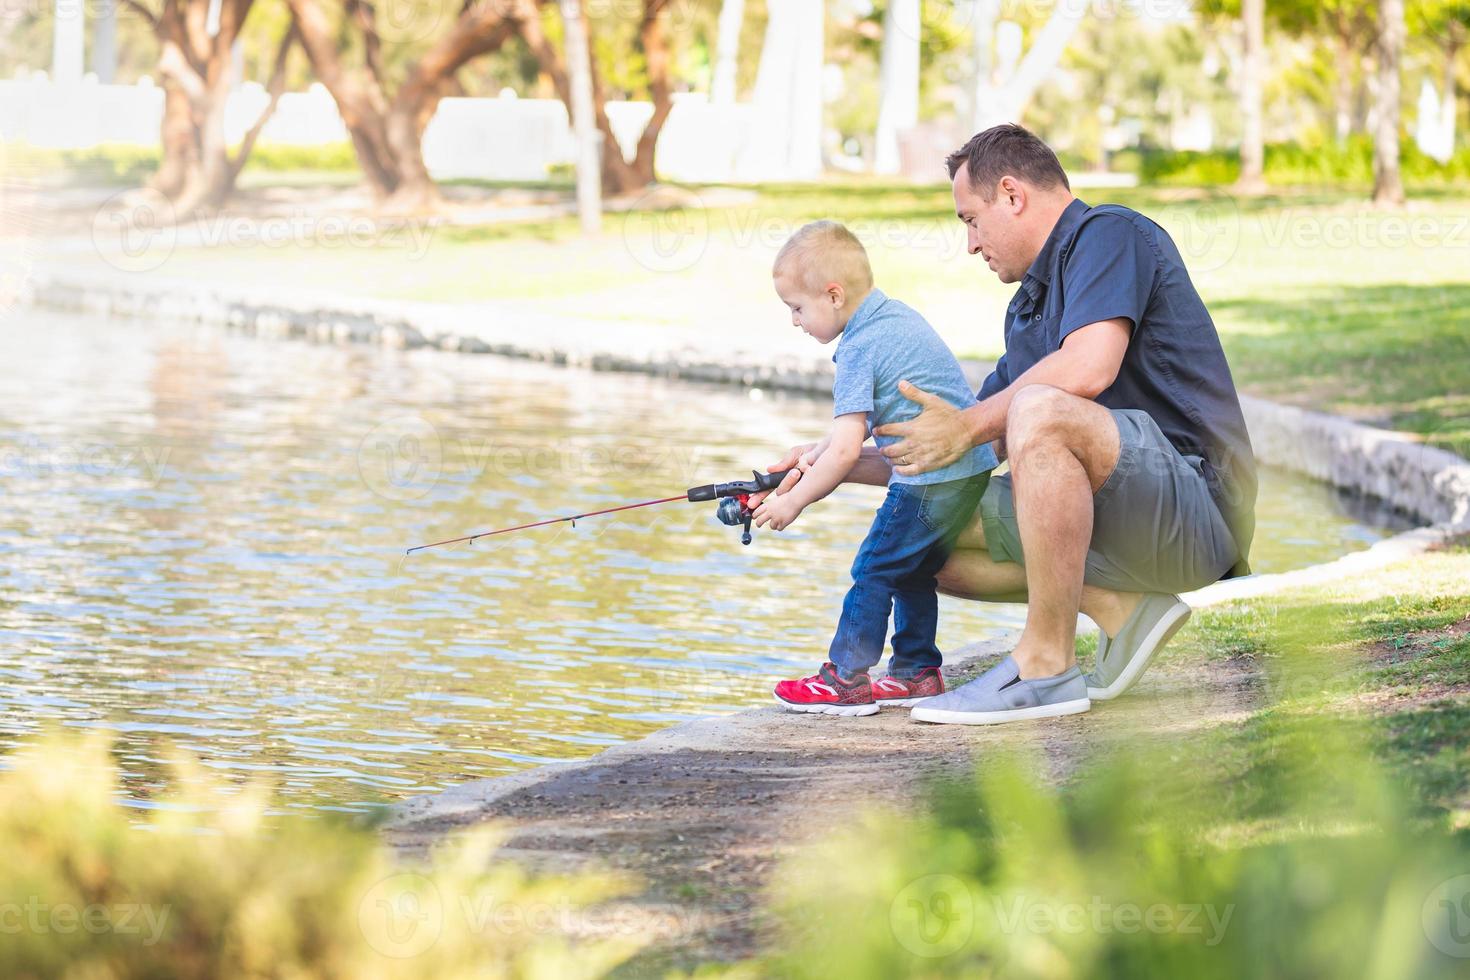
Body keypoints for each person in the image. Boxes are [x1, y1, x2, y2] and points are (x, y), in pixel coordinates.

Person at [755, 124, 1258, 726]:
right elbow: (965, 446)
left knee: (1037, 406)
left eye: (970, 219)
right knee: (920, 538)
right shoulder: (1029, 309)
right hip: (1126, 520)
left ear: (1013, 195)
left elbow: (1087, 367)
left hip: (1195, 505)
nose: (970, 243)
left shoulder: (1110, 235)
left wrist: (966, 428)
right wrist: (824, 465)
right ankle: (1128, 612)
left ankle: (1046, 667)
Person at [752, 221, 996, 716]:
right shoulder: (894, 317)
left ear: (834, 295)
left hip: (930, 479)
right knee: (913, 569)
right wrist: (812, 452)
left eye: (797, 308)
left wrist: (792, 501)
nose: (795, 321)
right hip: (967, 469)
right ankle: (916, 672)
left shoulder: (859, 347)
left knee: (874, 566)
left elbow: (845, 452)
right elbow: (853, 431)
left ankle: (846, 678)